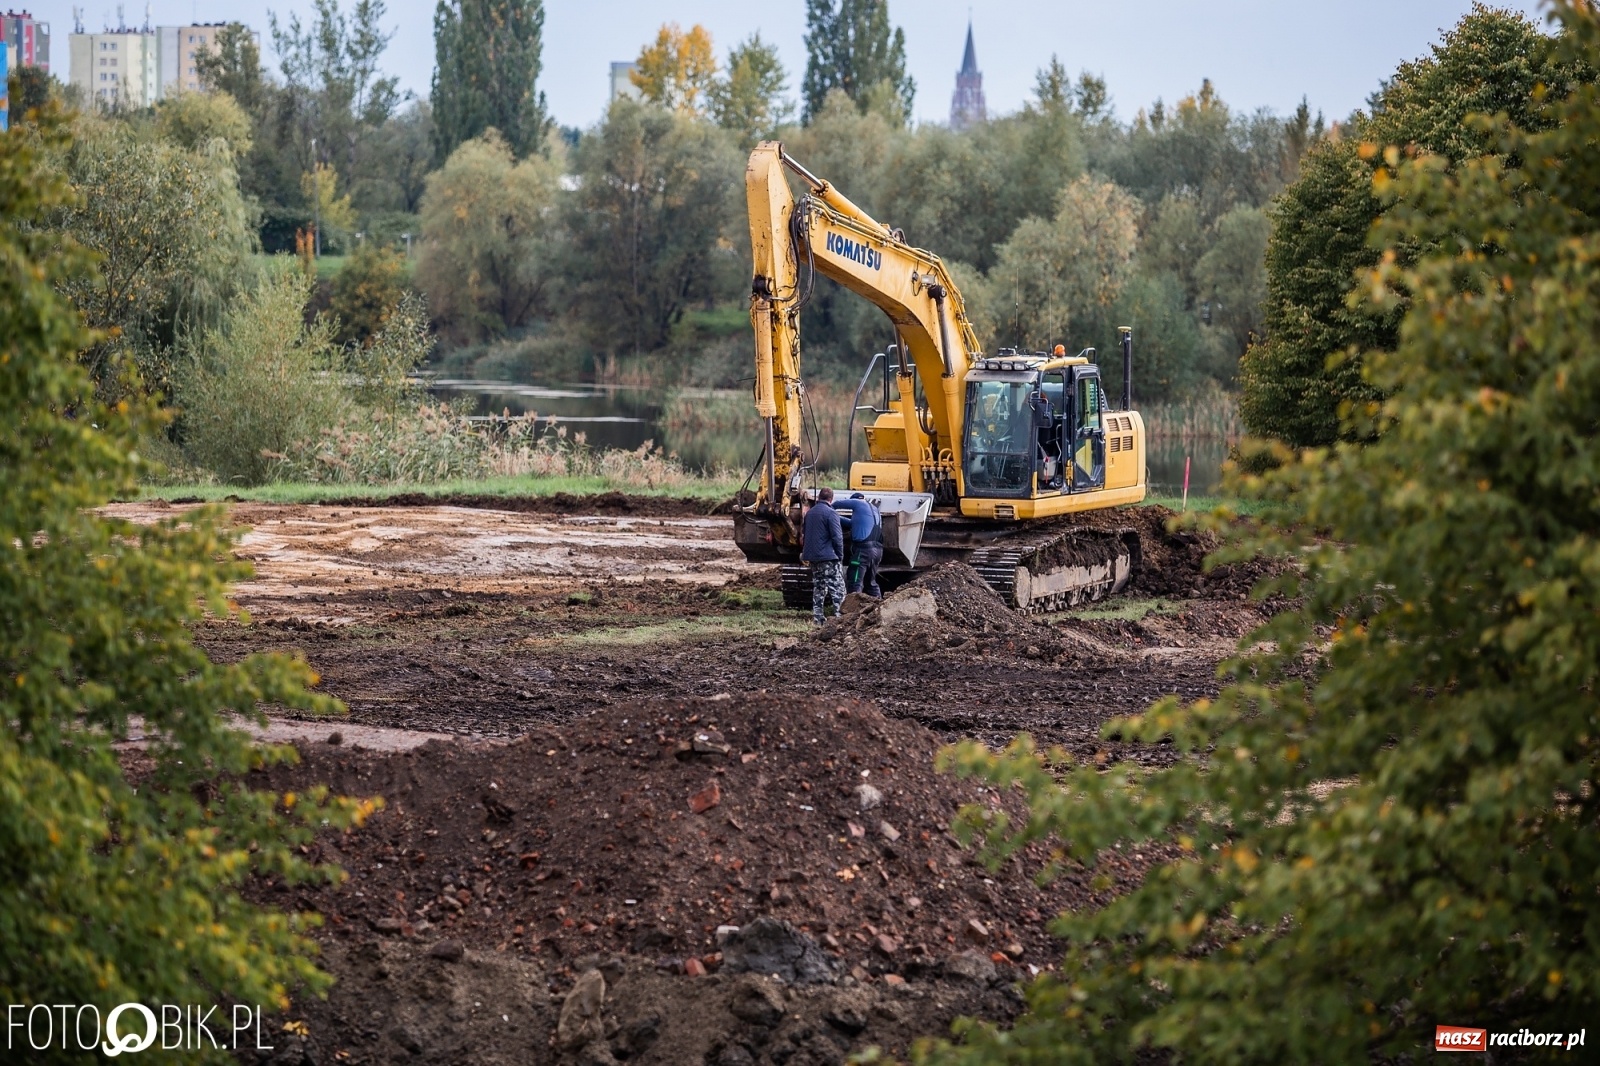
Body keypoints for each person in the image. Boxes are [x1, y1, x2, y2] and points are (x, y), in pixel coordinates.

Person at [800, 487, 846, 624]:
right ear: (831, 499)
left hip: (813, 557)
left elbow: (805, 533)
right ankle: (840, 618)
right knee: (837, 588)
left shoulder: (809, 514)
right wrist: (840, 555)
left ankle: (818, 617)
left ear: (819, 497)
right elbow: (837, 537)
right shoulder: (831, 513)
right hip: (828, 557)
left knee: (819, 587)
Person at [834, 493, 882, 597]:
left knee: (855, 581)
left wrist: (827, 509)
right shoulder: (874, 509)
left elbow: (837, 504)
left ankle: (852, 611)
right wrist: (835, 516)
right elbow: (851, 523)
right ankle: (879, 608)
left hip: (863, 551)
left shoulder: (859, 503)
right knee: (871, 583)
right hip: (877, 551)